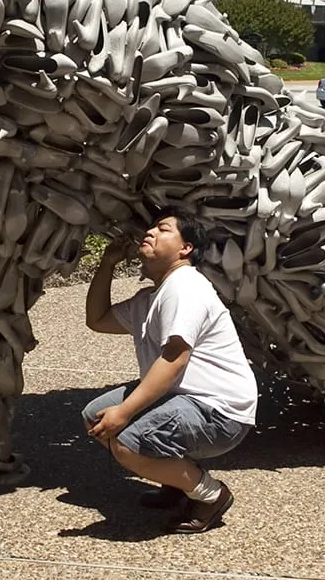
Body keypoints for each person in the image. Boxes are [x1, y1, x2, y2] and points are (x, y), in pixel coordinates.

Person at [82, 209, 258, 533]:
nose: (150, 233)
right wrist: (106, 263)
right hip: (186, 398)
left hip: (219, 410)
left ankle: (211, 495)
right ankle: (176, 482)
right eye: (150, 228)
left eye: (163, 229)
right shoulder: (150, 298)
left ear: (185, 249)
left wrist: (125, 412)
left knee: (126, 442)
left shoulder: (185, 286)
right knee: (96, 416)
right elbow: (98, 320)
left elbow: (175, 358)